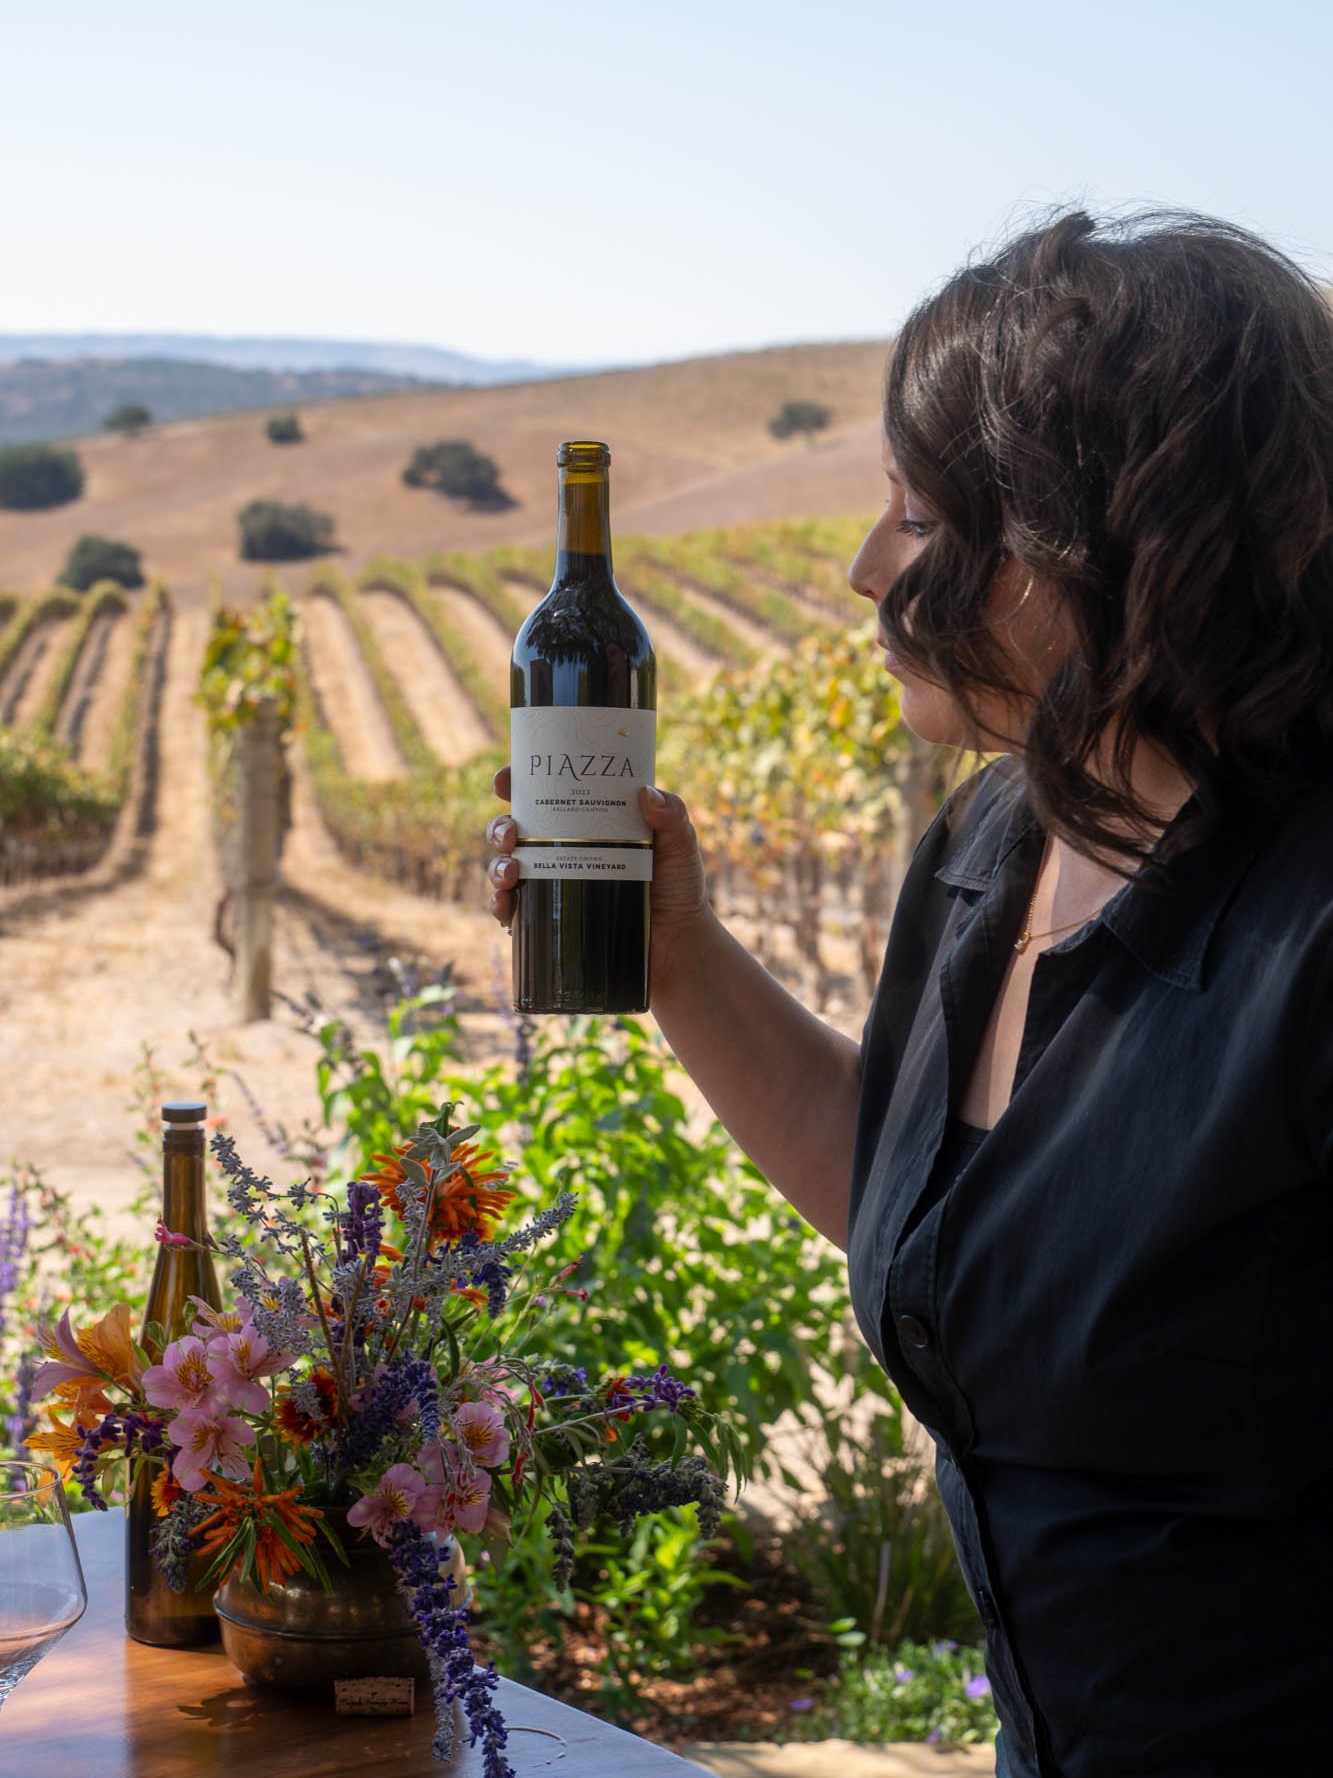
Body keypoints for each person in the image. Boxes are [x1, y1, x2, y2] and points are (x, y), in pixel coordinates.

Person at [485, 208, 1333, 1778]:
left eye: (920, 517)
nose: (865, 569)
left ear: (1113, 546)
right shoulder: (993, 846)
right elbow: (946, 1217)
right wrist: (679, 961)